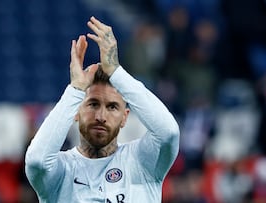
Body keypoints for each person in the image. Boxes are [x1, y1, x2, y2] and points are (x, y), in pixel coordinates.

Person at [25, 16, 180, 202]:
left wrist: (115, 71)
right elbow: (37, 161)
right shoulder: (61, 171)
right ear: (75, 111)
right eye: (93, 104)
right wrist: (75, 90)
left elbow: (168, 132)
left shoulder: (141, 162)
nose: (101, 116)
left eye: (112, 107)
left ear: (125, 117)